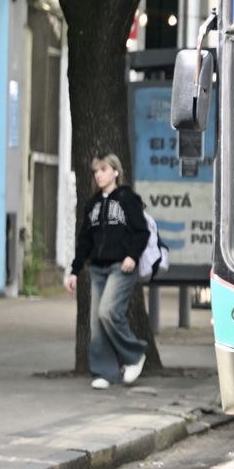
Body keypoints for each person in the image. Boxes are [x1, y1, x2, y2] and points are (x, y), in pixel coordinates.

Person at [65, 153, 149, 390]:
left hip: (121, 267)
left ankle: (135, 355)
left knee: (108, 312)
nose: (98, 174)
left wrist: (132, 255)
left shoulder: (127, 198)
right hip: (98, 269)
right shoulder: (92, 204)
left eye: (103, 169)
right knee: (97, 322)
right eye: (96, 171)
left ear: (115, 172)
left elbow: (142, 232)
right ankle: (105, 372)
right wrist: (74, 271)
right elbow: (84, 241)